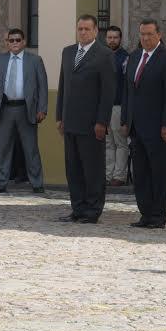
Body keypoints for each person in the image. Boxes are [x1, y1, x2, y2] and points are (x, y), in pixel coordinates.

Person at [121, 19, 166, 228]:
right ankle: (145, 213)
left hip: (157, 128)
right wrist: (125, 120)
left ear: (159, 34)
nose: (145, 38)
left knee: (157, 173)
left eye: (149, 34)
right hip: (136, 127)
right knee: (140, 173)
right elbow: (128, 91)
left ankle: (158, 216)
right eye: (142, 34)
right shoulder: (135, 56)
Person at [56, 14, 116, 223]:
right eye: (80, 28)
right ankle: (78, 208)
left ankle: (92, 210)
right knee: (73, 169)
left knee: (93, 170)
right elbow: (63, 85)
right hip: (70, 121)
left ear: (95, 31)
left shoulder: (104, 55)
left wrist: (102, 121)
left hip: (92, 124)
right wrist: (59, 117)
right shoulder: (68, 52)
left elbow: (107, 93)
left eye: (87, 29)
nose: (82, 32)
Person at [0, 28, 48, 194]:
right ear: (7, 42)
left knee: (31, 148)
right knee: (3, 148)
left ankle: (37, 183)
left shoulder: (35, 60)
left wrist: (42, 108)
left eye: (17, 40)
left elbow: (43, 86)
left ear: (24, 42)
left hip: (26, 109)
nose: (14, 43)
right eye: (11, 40)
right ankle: (1, 182)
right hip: (5, 109)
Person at [105, 25, 130, 187]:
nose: (112, 40)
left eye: (115, 37)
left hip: (118, 106)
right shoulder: (102, 55)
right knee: (108, 143)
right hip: (104, 106)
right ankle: (108, 174)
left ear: (120, 39)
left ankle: (119, 175)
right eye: (109, 37)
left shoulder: (125, 57)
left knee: (120, 142)